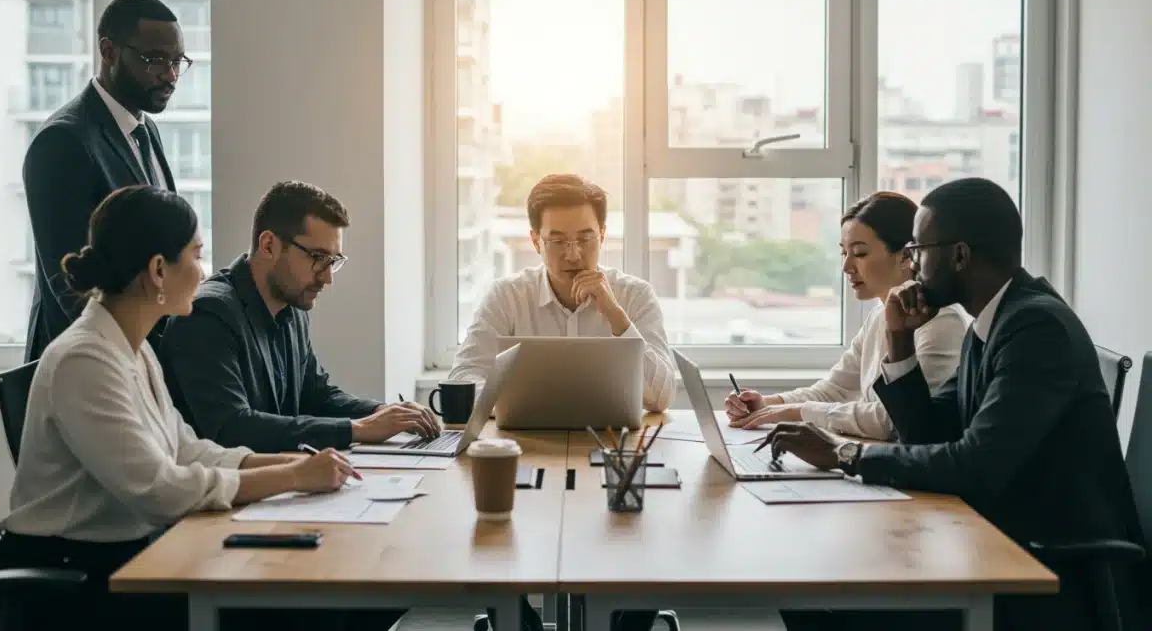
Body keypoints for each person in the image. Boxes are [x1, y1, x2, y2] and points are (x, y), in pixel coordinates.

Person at [0, 186, 405, 631]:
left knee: (344, 599)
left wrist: (290, 462)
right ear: (158, 270)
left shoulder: (132, 348)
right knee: (315, 609)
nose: (203, 270)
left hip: (131, 556)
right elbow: (161, 490)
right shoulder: (85, 359)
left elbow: (188, 449)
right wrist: (289, 477)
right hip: (75, 583)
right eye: (195, 254)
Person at [764, 178, 1143, 631]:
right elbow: (931, 434)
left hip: (1048, 568)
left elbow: (975, 464)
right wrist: (900, 341)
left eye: (919, 250)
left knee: (821, 603)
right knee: (814, 590)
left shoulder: (1035, 328)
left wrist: (848, 454)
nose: (914, 264)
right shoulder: (994, 321)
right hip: (997, 541)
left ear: (959, 255)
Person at [159, 181, 441, 454]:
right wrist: (357, 429)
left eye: (333, 261)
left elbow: (317, 396)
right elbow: (232, 428)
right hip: (220, 496)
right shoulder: (206, 314)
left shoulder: (291, 307)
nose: (327, 277)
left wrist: (384, 412)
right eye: (317, 257)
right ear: (268, 245)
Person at [724, 191, 966, 440]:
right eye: (844, 253)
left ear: (906, 256)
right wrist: (767, 403)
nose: (847, 267)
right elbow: (835, 390)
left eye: (860, 253)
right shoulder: (879, 315)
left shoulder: (941, 322)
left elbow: (893, 421)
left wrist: (796, 412)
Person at [23, 0, 186, 362]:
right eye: (155, 59)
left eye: (177, 61)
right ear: (109, 52)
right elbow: (70, 285)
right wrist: (142, 360)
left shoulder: (147, 132)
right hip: (86, 366)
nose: (171, 75)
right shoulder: (63, 141)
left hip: (142, 361)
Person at [449, 173, 675, 413]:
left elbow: (662, 398)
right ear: (536, 241)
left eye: (585, 238)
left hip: (612, 443)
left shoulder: (636, 295)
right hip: (524, 442)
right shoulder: (507, 296)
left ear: (603, 235)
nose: (573, 254)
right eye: (558, 242)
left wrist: (616, 316)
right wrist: (512, 407)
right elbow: (463, 378)